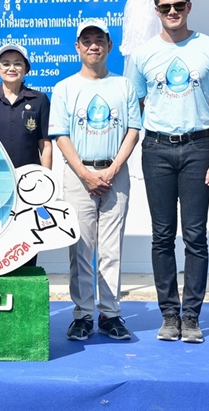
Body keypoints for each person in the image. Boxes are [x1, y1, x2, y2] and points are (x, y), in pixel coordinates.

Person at [125, 0, 209, 344]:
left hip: (197, 148)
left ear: (189, 6)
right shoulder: (142, 55)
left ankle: (192, 317)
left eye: (178, 5)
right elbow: (134, 107)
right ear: (156, 10)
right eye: (164, 7)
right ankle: (169, 315)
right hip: (156, 150)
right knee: (161, 236)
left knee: (195, 236)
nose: (172, 12)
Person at [50, 18, 141, 341]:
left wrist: (113, 170)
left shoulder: (124, 85)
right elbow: (60, 136)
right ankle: (83, 314)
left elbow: (133, 130)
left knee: (111, 248)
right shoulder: (64, 87)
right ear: (77, 47)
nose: (93, 46)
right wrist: (86, 175)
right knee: (80, 248)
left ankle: (110, 313)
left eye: (99, 40)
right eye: (86, 40)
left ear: (109, 45)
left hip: (115, 173)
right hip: (79, 175)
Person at [0, 43, 52, 266]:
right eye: (6, 63)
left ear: (26, 69)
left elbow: (45, 145)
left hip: (28, 186)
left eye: (18, 63)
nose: (11, 68)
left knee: (27, 241)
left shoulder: (39, 100)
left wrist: (45, 182)